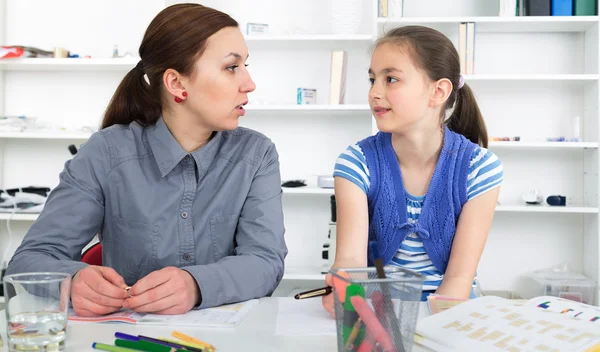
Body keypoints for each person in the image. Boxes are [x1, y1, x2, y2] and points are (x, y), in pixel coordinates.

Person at [6, 3, 287, 317]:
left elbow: (265, 261)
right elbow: (31, 258)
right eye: (232, 67)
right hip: (125, 338)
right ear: (177, 84)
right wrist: (73, 281)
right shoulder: (105, 153)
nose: (249, 83)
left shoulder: (256, 154)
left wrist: (196, 285)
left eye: (245, 65)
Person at [323, 25, 503, 316]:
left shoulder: (480, 168)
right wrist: (344, 289)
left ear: (439, 91)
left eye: (391, 79)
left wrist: (426, 333)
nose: (374, 92)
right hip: (376, 314)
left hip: (449, 312)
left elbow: (458, 279)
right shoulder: (355, 163)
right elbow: (350, 261)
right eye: (372, 79)